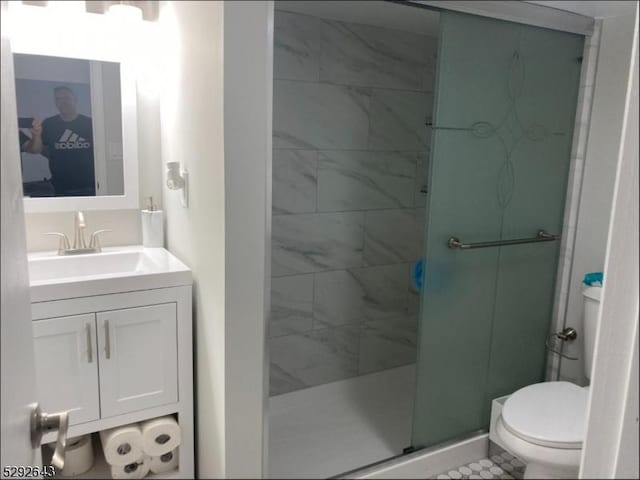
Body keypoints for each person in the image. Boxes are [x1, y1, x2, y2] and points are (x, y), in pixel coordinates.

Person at [23, 86, 96, 196]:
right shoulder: (49, 124)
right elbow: (39, 148)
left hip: (90, 185)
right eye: (58, 99)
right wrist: (53, 153)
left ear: (75, 99)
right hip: (60, 185)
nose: (63, 101)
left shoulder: (90, 123)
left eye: (66, 97)